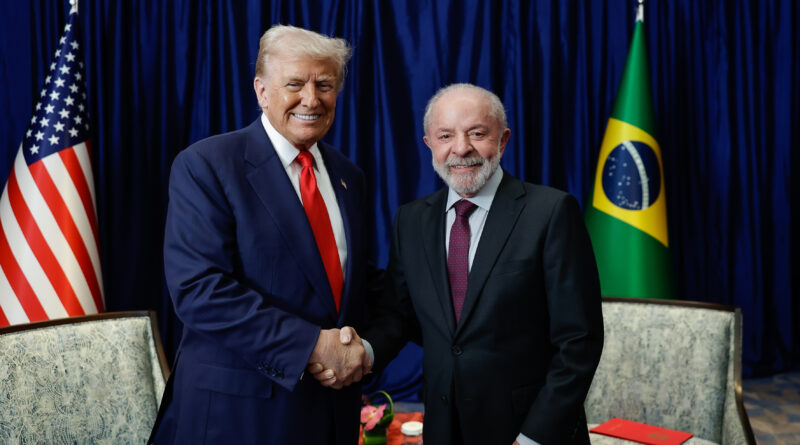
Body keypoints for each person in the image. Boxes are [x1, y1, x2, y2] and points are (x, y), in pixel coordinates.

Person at [313, 84, 603, 444]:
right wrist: (363, 353)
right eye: (446, 135)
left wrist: (533, 437)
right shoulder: (411, 220)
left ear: (503, 140)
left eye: (477, 133)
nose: (461, 148)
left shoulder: (552, 213)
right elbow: (398, 316)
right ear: (429, 144)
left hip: (529, 431)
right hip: (444, 428)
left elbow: (580, 341)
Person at [150, 25, 372, 445]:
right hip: (239, 416)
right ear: (261, 91)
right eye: (295, 84)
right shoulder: (207, 164)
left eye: (324, 84)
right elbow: (201, 290)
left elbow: (352, 285)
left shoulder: (348, 176)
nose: (311, 98)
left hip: (329, 414)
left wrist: (362, 349)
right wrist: (313, 347)